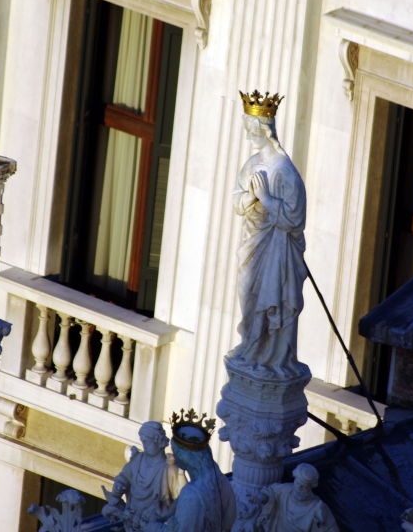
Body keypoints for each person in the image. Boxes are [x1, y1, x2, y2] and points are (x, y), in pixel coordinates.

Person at [230, 92, 307, 375]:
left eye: (254, 130)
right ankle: (250, 345)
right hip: (253, 243)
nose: (249, 135)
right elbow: (237, 201)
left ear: (266, 131)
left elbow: (295, 219)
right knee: (246, 290)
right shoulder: (251, 164)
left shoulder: (286, 172)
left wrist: (266, 198)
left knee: (273, 299)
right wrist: (251, 198)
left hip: (277, 248)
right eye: (247, 129)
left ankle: (270, 356)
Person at [147, 411, 235, 532]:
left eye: (174, 451)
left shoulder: (191, 495)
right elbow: (229, 522)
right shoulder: (222, 481)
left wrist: (153, 526)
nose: (173, 455)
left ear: (184, 458)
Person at [103, 421, 186, 531]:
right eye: (143, 442)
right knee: (107, 510)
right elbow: (124, 476)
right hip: (131, 518)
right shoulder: (138, 460)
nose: (144, 446)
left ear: (158, 441)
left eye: (147, 442)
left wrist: (181, 473)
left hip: (154, 523)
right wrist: (119, 485)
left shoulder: (169, 469)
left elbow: (182, 498)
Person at [257, 463, 339, 532]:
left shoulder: (318, 508)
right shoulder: (284, 490)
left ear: (310, 488)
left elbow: (331, 529)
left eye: (305, 487)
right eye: (298, 484)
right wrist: (263, 497)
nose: (299, 489)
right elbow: (270, 491)